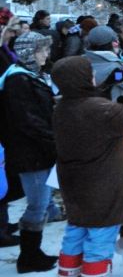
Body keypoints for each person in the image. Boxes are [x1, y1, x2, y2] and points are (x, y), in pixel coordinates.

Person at [52, 56, 123, 277]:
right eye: (90, 73)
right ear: (82, 79)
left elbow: (90, 106)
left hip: (75, 185)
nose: (94, 76)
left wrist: (105, 87)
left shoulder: (62, 107)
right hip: (102, 187)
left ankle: (68, 272)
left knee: (75, 232)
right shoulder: (98, 110)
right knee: (100, 238)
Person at [0, 32, 57, 273]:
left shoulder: (29, 76)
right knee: (38, 204)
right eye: (41, 50)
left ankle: (33, 251)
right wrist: (54, 141)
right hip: (31, 154)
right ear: (27, 53)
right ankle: (28, 256)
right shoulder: (17, 80)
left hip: (37, 150)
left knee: (40, 204)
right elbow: (29, 121)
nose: (46, 54)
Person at [84, 25, 123, 102]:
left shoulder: (81, 62)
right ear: (113, 43)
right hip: (112, 107)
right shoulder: (116, 67)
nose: (118, 42)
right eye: (116, 40)